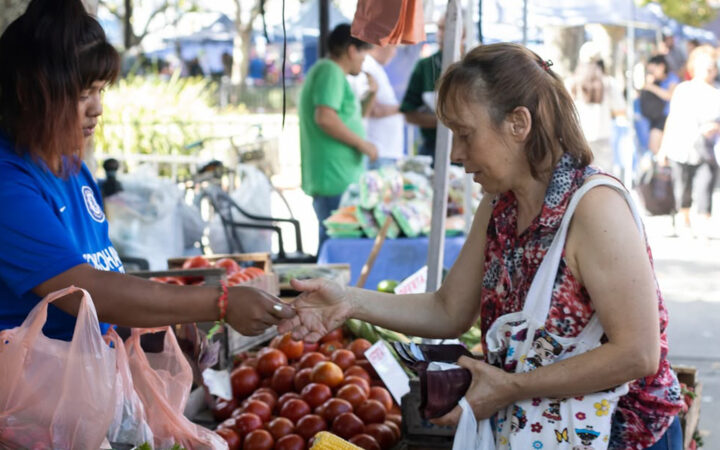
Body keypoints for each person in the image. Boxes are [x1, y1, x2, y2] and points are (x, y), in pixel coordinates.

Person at [0, 1, 294, 448]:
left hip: (54, 408)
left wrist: (159, 331)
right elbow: (84, 292)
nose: (97, 107)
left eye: (100, 89)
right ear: (29, 91)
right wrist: (217, 301)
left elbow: (103, 275)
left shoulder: (71, 166)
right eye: (82, 93)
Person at [279, 43, 683, 449]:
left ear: (518, 124)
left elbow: (638, 353)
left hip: (623, 435)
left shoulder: (594, 207)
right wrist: (347, 302)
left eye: (465, 134)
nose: (456, 154)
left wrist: (512, 386)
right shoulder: (499, 204)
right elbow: (448, 310)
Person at [298, 24, 377, 249]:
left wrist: (372, 94)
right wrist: (362, 145)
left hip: (338, 177)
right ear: (352, 50)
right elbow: (324, 117)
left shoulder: (331, 73)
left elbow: (352, 119)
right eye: (364, 53)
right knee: (335, 248)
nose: (364, 60)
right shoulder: (329, 71)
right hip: (334, 178)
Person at [659, 45, 720, 238]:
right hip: (681, 146)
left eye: (712, 68)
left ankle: (704, 222)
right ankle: (684, 220)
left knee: (705, 185)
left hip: (707, 149)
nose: (709, 71)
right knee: (682, 186)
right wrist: (663, 149)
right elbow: (672, 118)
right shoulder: (683, 90)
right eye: (705, 67)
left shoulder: (717, 92)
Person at [566, 43, 625, 174]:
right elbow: (620, 110)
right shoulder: (609, 82)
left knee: (578, 179)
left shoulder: (571, 82)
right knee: (603, 178)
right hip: (602, 138)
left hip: (578, 139)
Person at [351, 45, 405, 169]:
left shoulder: (373, 66)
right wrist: (405, 108)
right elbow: (372, 109)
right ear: (382, 45)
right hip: (379, 151)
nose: (394, 53)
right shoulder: (368, 65)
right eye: (393, 47)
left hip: (384, 151)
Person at [400, 16, 445, 163]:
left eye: (445, 28)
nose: (440, 33)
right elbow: (408, 112)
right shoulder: (425, 66)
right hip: (431, 149)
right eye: (439, 28)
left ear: (463, 32)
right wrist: (446, 123)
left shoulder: (474, 67)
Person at [640, 55, 679, 155]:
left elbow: (669, 96)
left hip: (669, 117)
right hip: (657, 118)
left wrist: (651, 86)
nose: (652, 74)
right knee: (655, 148)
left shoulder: (672, 78)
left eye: (653, 71)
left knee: (657, 147)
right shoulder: (656, 81)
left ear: (661, 67)